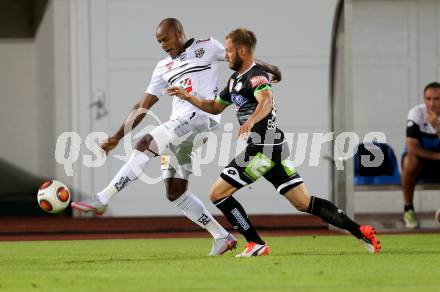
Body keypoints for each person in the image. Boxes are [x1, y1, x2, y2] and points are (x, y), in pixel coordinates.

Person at [71, 18, 281, 256]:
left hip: (199, 120)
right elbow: (142, 105)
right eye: (159, 41)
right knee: (175, 193)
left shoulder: (207, 46)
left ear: (179, 32)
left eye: (166, 39)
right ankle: (221, 236)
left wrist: (270, 69)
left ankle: (103, 198)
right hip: (181, 130)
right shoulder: (162, 68)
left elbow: (242, 60)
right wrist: (118, 136)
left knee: (145, 143)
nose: (163, 44)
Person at [167, 27, 381, 257]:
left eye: (229, 51)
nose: (225, 55)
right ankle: (361, 231)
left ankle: (255, 243)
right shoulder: (234, 81)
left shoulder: (256, 76)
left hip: (263, 147)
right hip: (272, 147)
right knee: (303, 202)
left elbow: (266, 101)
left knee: (218, 194)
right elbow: (214, 107)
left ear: (241, 50)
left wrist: (251, 120)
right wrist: (188, 96)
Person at [401, 82, 440, 229]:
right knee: (410, 161)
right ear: (424, 99)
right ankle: (408, 209)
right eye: (428, 99)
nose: (432, 103)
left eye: (437, 99)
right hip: (421, 162)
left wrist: (437, 126)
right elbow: (412, 148)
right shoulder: (416, 113)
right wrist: (437, 156)